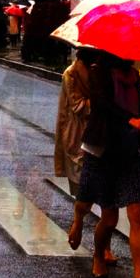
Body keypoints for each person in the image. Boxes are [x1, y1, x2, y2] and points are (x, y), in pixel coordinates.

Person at [75, 50, 140, 278]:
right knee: (109, 218)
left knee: (137, 212)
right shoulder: (99, 72)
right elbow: (102, 104)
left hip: (131, 151)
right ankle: (98, 255)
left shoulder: (134, 75)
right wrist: (131, 120)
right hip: (105, 149)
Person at [56, 48, 105, 257]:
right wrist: (103, 101)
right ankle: (78, 222)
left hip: (103, 134)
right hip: (79, 136)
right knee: (84, 186)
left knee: (105, 192)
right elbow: (78, 106)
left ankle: (105, 248)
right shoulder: (72, 74)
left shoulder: (103, 72)